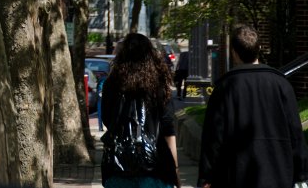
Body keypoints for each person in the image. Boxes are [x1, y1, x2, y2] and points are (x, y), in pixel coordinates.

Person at [198, 24, 308, 188]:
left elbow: (213, 138)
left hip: (235, 177)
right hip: (278, 176)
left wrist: (206, 177)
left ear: (234, 52)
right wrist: (301, 172)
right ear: (259, 48)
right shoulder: (281, 84)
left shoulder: (225, 87)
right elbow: (295, 133)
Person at [101, 32, 180, 188]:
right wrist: (175, 170)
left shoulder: (112, 84)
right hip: (156, 168)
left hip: (119, 166)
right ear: (150, 55)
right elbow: (168, 130)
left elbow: (107, 119)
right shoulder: (159, 85)